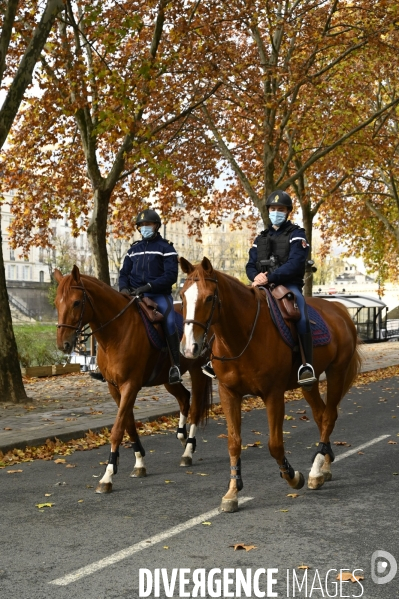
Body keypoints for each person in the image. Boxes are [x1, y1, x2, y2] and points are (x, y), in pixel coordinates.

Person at [246, 190, 317, 388]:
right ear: (268, 211)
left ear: (287, 212)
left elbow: (295, 264)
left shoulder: (297, 234)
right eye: (273, 209)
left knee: (300, 315)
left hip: (288, 286)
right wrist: (256, 277)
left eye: (281, 209)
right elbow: (250, 265)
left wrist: (269, 277)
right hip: (260, 285)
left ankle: (306, 365)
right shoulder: (260, 238)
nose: (276, 212)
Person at [118, 208, 182, 385]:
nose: (144, 227)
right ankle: (108, 366)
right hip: (134, 295)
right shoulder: (133, 250)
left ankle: (175, 366)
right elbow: (124, 273)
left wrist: (149, 286)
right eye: (142, 225)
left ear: (156, 226)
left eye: (148, 224)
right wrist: (124, 289)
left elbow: (170, 276)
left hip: (159, 295)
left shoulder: (166, 248)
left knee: (169, 322)